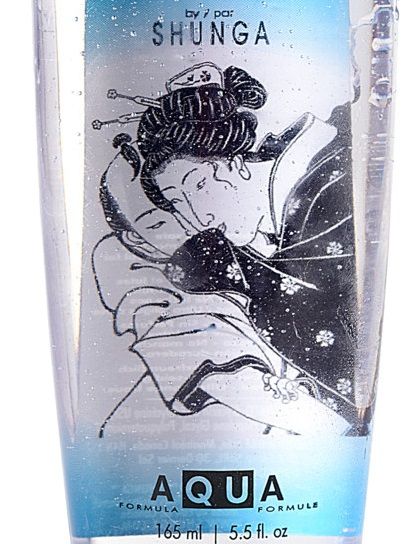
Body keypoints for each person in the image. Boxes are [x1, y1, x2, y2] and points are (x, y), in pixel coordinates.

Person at [93, 62, 359, 434]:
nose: (195, 220)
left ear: (235, 164)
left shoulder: (325, 188)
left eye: (199, 186)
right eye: (176, 202)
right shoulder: (245, 246)